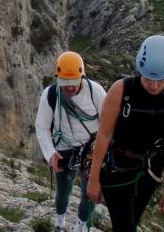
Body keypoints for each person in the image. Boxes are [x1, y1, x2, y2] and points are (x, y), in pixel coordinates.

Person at [87, 35, 164, 232]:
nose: (154, 85)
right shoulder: (121, 90)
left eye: (160, 80)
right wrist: (94, 179)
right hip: (116, 169)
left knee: (129, 223)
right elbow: (104, 135)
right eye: (148, 78)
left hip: (150, 172)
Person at [35, 51, 106, 232]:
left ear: (82, 76)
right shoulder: (51, 95)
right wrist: (51, 153)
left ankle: (79, 228)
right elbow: (42, 127)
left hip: (91, 149)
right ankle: (59, 225)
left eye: (74, 83)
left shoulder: (95, 92)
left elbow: (108, 125)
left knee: (89, 194)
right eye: (66, 84)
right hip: (63, 147)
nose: (71, 88)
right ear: (58, 79)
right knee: (63, 192)